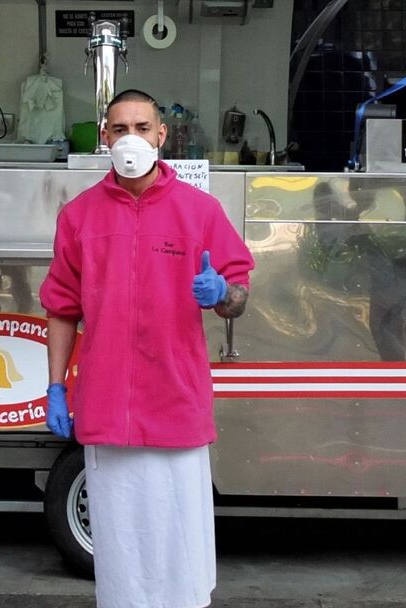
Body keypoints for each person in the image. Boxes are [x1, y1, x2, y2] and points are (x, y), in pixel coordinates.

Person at [39, 89, 254, 608]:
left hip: (176, 405)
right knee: (120, 553)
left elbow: (239, 296)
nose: (130, 137)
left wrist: (224, 293)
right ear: (105, 138)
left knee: (181, 552)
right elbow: (62, 307)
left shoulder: (199, 211)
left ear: (162, 135)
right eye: (119, 129)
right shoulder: (80, 216)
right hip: (107, 408)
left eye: (141, 127)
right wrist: (54, 385)